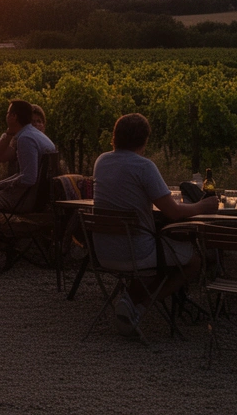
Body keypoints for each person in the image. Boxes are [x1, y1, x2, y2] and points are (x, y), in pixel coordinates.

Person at [94, 113, 219, 336]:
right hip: (136, 253)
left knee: (163, 252)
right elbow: (173, 212)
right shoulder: (144, 167)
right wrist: (204, 206)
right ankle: (138, 307)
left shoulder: (101, 161)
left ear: (115, 137)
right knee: (193, 261)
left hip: (103, 251)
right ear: (145, 140)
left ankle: (130, 300)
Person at [0, 99, 56, 261]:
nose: (6, 116)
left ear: (13, 116)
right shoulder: (33, 135)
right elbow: (1, 159)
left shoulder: (26, 139)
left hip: (27, 197)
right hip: (37, 194)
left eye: (8, 113)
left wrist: (2, 185)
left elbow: (28, 178)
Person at [0, 103, 46, 176]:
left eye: (39, 121)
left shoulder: (32, 142)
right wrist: (10, 132)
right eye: (32, 121)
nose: (36, 124)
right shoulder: (20, 141)